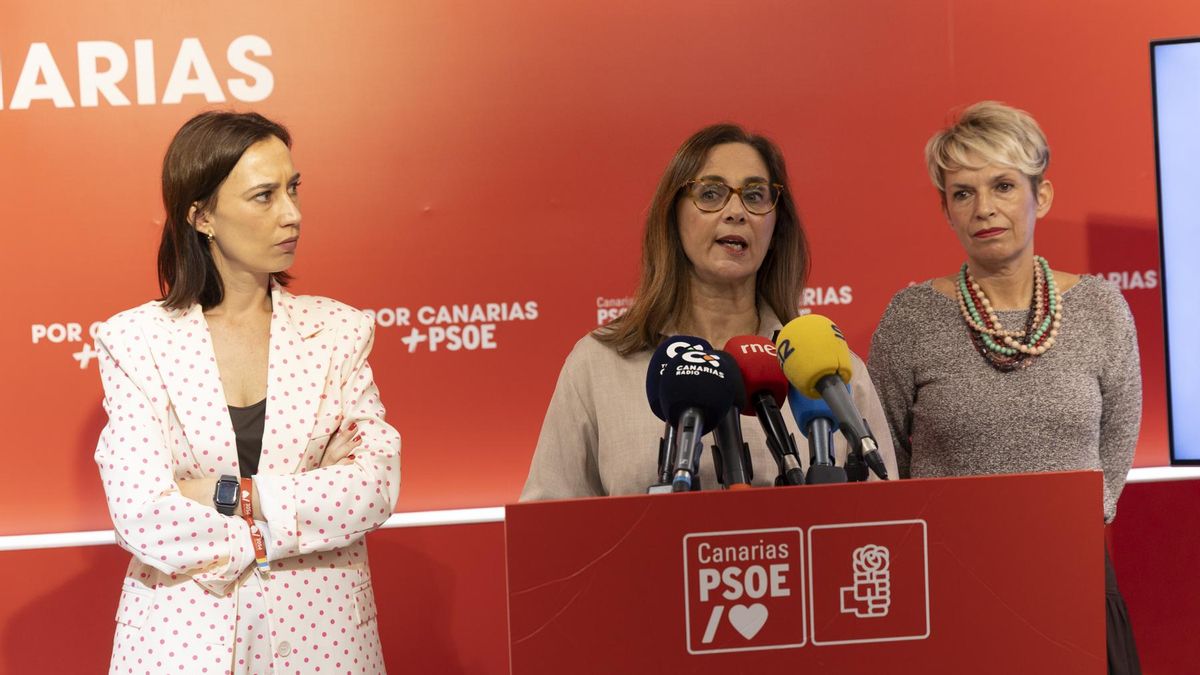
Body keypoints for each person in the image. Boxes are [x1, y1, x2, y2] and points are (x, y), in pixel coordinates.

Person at [94, 111, 401, 674]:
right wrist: (297, 510)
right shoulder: (133, 341)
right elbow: (140, 510)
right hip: (183, 644)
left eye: (293, 189)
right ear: (202, 215)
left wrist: (226, 495)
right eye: (264, 196)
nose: (293, 215)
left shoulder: (338, 332)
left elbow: (372, 485)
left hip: (324, 641)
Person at [868, 101, 1141, 673]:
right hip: (952, 587)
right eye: (962, 193)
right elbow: (887, 454)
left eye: (1003, 186)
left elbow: (1113, 448)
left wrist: (1064, 529)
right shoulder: (912, 317)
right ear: (945, 209)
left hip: (1073, 578)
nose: (984, 209)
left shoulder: (1100, 310)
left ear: (1039, 197)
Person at [521, 123, 897, 499]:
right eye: (711, 193)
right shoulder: (599, 364)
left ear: (776, 224)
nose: (736, 212)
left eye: (755, 195)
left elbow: (888, 525)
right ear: (673, 215)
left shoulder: (830, 374)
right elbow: (546, 532)